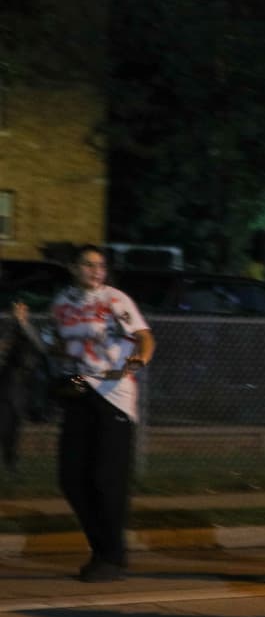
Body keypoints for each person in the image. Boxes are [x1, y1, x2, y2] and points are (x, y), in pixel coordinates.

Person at [49, 245, 156, 582]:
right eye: (88, 264)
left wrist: (139, 360)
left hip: (113, 394)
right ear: (72, 267)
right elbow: (61, 345)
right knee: (71, 479)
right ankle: (102, 549)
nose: (96, 270)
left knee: (107, 481)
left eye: (101, 265)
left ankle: (110, 556)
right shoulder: (62, 303)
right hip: (79, 388)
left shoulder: (115, 300)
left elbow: (144, 337)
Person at [0, 300, 44, 473]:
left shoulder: (29, 330)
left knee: (13, 424)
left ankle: (11, 462)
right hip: (5, 382)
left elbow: (39, 347)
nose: (19, 312)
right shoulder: (6, 327)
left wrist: (23, 323)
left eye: (23, 309)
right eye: (16, 309)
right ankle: (10, 461)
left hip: (18, 384)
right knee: (5, 421)